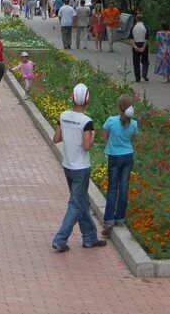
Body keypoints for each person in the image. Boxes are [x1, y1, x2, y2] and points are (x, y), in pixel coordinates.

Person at [51, 83, 107, 252]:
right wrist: (94, 134)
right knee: (76, 204)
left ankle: (90, 237)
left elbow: (56, 138)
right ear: (87, 99)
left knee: (82, 202)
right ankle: (60, 239)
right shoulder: (87, 121)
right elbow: (87, 146)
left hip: (67, 165)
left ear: (72, 98)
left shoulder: (63, 115)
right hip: (81, 168)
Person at [102, 94, 138, 235]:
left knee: (112, 187)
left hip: (114, 156)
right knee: (124, 186)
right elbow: (133, 138)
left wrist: (110, 145)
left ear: (119, 107)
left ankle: (109, 220)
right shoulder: (134, 124)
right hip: (128, 156)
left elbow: (104, 137)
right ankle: (120, 218)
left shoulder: (111, 121)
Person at [129, 14, 150, 82]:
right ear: (143, 19)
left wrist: (134, 46)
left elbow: (131, 38)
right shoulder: (146, 27)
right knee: (145, 61)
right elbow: (146, 38)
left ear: (136, 19)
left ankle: (137, 78)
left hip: (136, 44)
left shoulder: (133, 27)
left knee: (136, 62)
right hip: (143, 44)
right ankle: (144, 74)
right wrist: (144, 47)